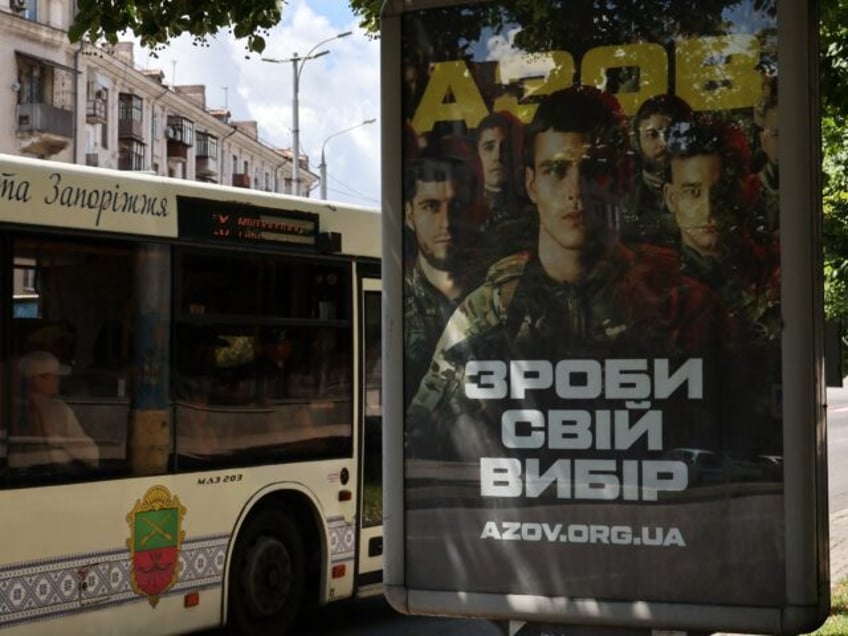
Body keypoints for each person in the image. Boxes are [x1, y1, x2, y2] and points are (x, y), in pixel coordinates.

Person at [407, 86, 732, 461]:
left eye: (593, 169)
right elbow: (420, 440)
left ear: (623, 178)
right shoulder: (488, 313)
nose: (576, 190)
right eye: (556, 170)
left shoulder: (684, 309)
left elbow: (743, 445)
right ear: (531, 184)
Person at [663, 115, 781, 455]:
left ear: (748, 190)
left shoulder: (773, 273)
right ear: (672, 198)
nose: (708, 208)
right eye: (692, 192)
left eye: (721, 191)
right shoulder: (648, 282)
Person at [403, 135, 484, 406]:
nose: (446, 222)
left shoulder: (502, 295)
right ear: (409, 215)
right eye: (431, 206)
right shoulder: (397, 305)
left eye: (457, 206)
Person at [620, 94, 693, 247]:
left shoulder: (709, 187)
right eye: (652, 134)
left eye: (673, 134)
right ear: (638, 140)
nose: (664, 144)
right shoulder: (622, 193)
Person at [15, 350, 99, 471]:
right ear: (37, 380)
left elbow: (91, 455)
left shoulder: (59, 409)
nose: (58, 380)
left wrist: (59, 441)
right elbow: (92, 456)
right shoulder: (16, 408)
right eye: (54, 376)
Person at [474, 111, 535, 261]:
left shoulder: (533, 214)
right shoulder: (465, 214)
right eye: (489, 147)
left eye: (506, 147)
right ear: (477, 154)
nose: (497, 157)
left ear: (520, 153)